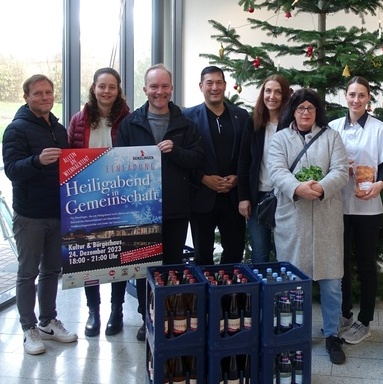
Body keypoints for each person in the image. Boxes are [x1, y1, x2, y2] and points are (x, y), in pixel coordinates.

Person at [115, 64, 203, 341]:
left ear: (171, 89)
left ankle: (170, 314)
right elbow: (118, 163)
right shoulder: (131, 123)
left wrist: (175, 152)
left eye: (165, 86)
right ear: (145, 90)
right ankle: (147, 317)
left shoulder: (186, 123)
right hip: (140, 212)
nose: (160, 91)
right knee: (143, 268)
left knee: (172, 265)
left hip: (176, 209)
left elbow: (197, 160)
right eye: (154, 87)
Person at [268, 88, 349, 364]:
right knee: (292, 281)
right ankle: (292, 331)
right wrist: (298, 187)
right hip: (293, 219)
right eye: (300, 108)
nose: (305, 113)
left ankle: (332, 335)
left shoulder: (331, 137)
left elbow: (340, 170)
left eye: (310, 109)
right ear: (293, 111)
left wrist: (321, 188)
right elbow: (277, 171)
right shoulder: (280, 139)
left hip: (326, 217)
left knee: (331, 282)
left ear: (317, 112)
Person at [2, 74, 78, 355]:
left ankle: (48, 321)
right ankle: (28, 328)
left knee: (51, 270)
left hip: (58, 212)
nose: (45, 97)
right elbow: (11, 170)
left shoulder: (59, 129)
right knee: (27, 273)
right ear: (27, 97)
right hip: (30, 216)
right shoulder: (16, 130)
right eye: (38, 93)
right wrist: (36, 161)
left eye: (48, 92)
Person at [67, 67, 131, 337]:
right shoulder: (79, 120)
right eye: (101, 86)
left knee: (119, 254)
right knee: (89, 258)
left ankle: (117, 309)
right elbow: (69, 158)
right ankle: (94, 310)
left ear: (118, 90)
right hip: (87, 200)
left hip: (121, 195)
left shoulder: (128, 119)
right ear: (93, 88)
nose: (106, 91)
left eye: (112, 87)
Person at [329, 76, 383, 345]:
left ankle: (364, 321)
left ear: (368, 98)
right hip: (338, 205)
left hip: (368, 206)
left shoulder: (379, 128)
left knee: (366, 264)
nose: (356, 100)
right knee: (339, 264)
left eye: (362, 95)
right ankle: (343, 314)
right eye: (352, 94)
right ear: (345, 96)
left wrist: (380, 184)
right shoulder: (332, 128)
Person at [183, 66, 249, 265]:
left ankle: (228, 296)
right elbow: (183, 157)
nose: (214, 87)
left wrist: (237, 177)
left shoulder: (241, 116)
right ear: (201, 86)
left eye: (218, 83)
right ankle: (205, 296)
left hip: (233, 197)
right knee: (202, 256)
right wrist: (203, 178)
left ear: (225, 85)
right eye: (209, 83)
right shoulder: (187, 117)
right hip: (202, 197)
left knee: (234, 253)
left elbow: (247, 154)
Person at [237, 74, 291, 262]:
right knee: (260, 254)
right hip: (258, 197)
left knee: (283, 254)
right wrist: (243, 197)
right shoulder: (253, 124)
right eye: (268, 91)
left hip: (285, 199)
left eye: (278, 92)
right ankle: (262, 293)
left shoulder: (292, 126)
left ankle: (282, 292)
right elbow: (243, 163)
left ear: (285, 96)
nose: (272, 96)